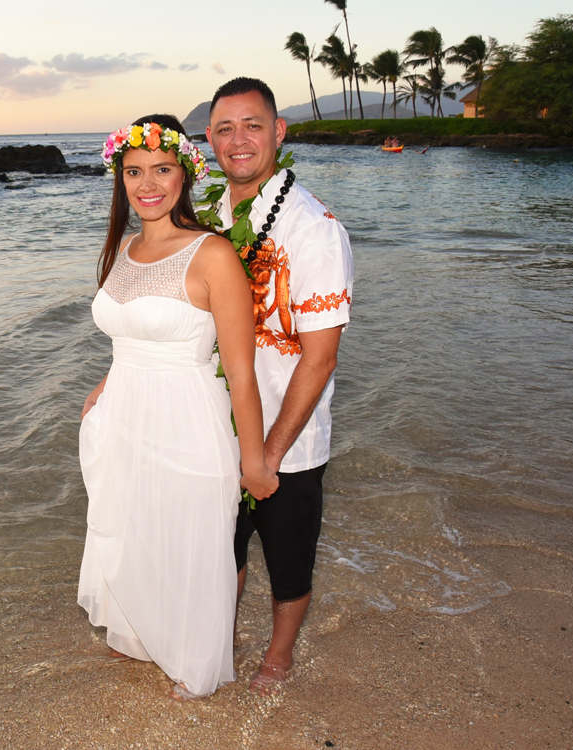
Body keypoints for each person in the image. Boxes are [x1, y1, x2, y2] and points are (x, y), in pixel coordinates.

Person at [77, 114, 279, 699]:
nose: (148, 184)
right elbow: (130, 334)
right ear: (120, 178)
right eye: (134, 171)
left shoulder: (211, 253)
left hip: (187, 418)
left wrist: (255, 460)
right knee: (136, 530)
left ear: (185, 173)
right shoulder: (124, 246)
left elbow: (240, 369)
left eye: (162, 169)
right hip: (125, 417)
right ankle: (142, 636)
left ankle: (193, 658)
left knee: (188, 540)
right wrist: (107, 382)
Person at [205, 77, 354, 694]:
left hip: (285, 440)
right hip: (216, 425)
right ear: (209, 139)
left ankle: (279, 657)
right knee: (221, 552)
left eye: (253, 126)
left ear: (279, 132)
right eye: (224, 129)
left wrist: (269, 454)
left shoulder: (313, 228)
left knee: (288, 559)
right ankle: (215, 640)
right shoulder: (212, 215)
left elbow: (318, 359)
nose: (239, 141)